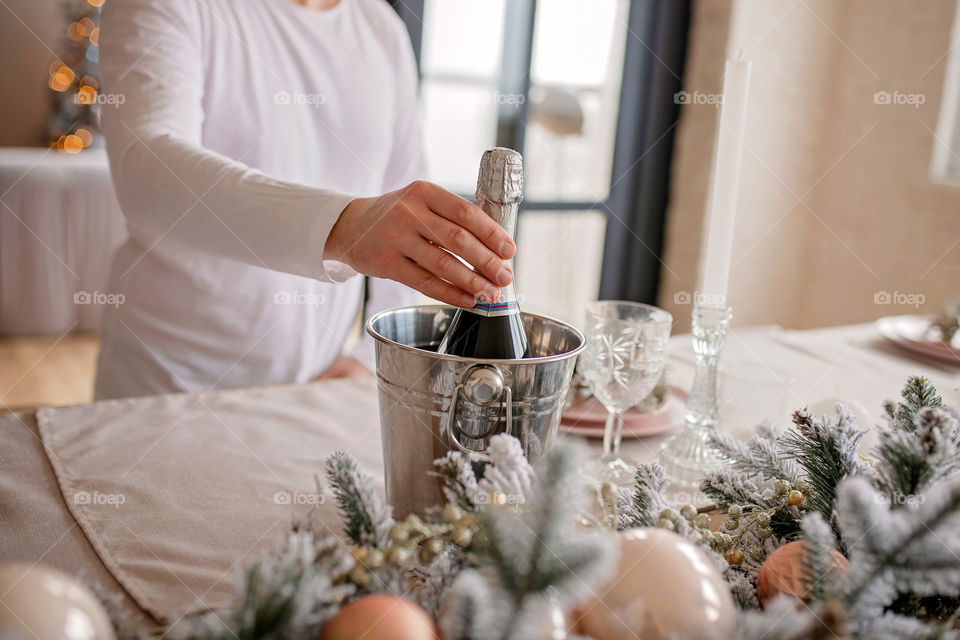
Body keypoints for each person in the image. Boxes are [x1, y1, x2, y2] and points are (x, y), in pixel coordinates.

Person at [94, 0, 515, 399]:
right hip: (168, 387)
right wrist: (346, 226)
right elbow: (146, 171)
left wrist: (369, 360)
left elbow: (410, 219)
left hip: (318, 392)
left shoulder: (380, 28)